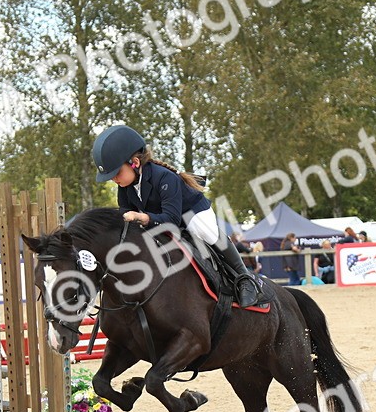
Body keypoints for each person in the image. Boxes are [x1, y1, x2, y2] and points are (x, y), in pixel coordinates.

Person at [92, 124, 261, 307]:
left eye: (116, 172)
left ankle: (245, 279)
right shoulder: (124, 188)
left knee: (206, 232)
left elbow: (172, 220)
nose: (114, 179)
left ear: (135, 162)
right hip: (160, 218)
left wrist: (142, 217)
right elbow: (125, 215)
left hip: (192, 212)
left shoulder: (164, 177)